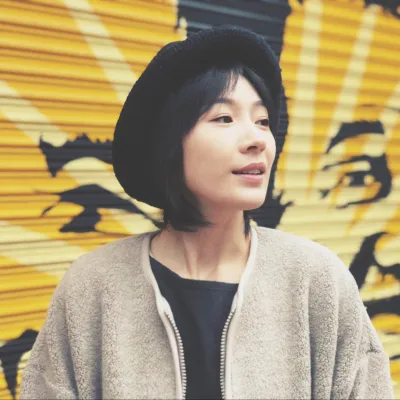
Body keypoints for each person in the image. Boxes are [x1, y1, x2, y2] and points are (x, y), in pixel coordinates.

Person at [20, 25, 394, 400]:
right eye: (224, 118)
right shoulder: (92, 287)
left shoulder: (317, 281)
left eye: (262, 121)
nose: (257, 140)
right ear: (170, 143)